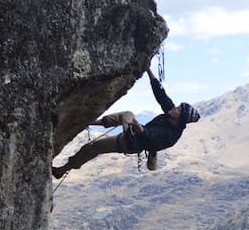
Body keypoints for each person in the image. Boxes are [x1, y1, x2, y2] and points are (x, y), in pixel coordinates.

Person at [52, 66, 200, 177]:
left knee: (94, 146)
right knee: (93, 146)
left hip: (132, 143)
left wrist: (136, 125)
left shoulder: (170, 135)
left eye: (179, 109)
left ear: (180, 118)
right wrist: (148, 70)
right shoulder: (171, 114)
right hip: (135, 135)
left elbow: (148, 136)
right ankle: (89, 123)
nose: (175, 108)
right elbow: (161, 95)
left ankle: (63, 168)